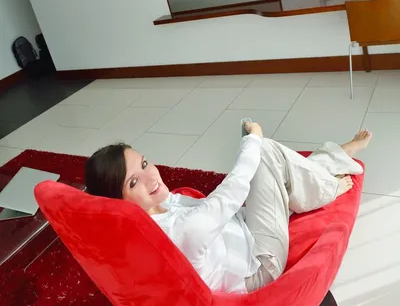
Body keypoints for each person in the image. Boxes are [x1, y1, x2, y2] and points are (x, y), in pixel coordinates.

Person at [84, 123, 371, 294]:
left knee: (274, 163)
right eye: (134, 181)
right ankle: (329, 184)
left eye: (145, 164)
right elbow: (233, 191)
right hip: (261, 264)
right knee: (265, 150)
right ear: (117, 201)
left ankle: (334, 158)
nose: (151, 178)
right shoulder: (179, 231)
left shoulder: (152, 212)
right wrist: (253, 138)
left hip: (241, 230)